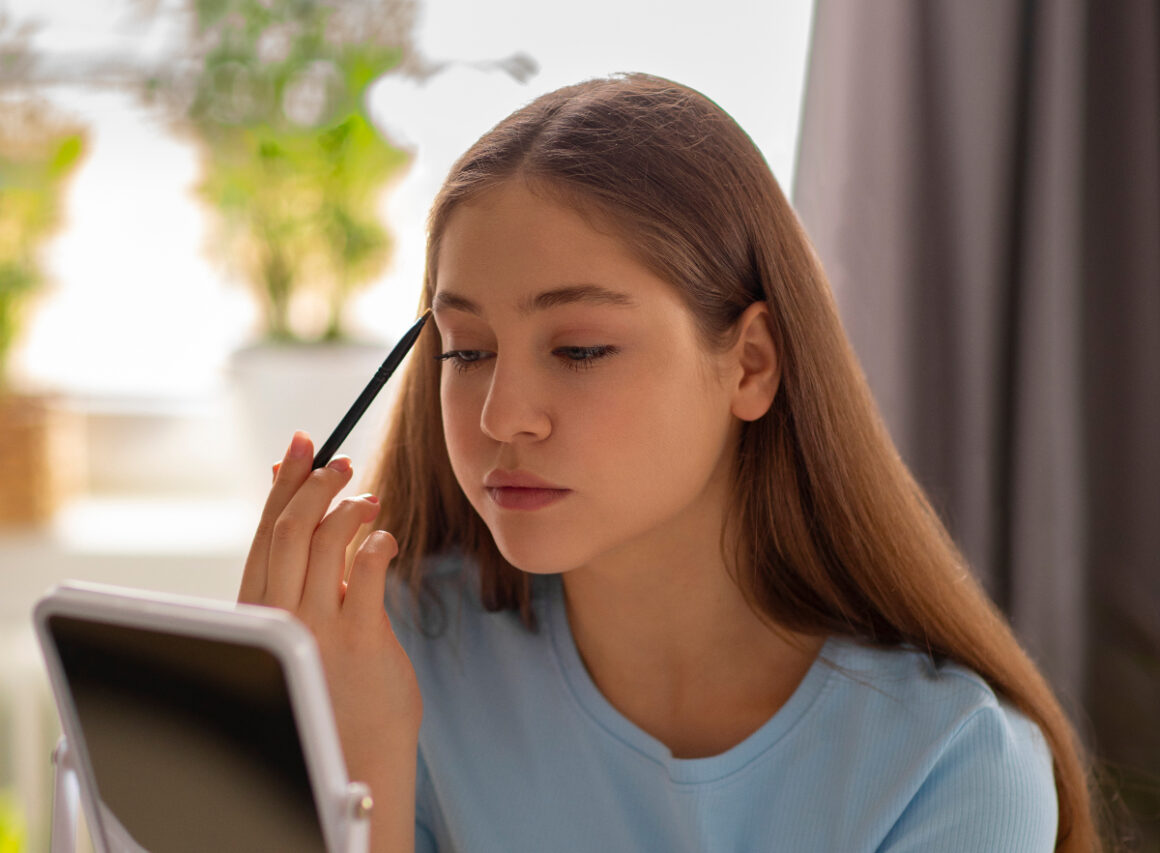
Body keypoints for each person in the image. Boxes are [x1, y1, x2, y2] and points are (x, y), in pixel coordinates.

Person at [240, 73, 1101, 852]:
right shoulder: (392, 666)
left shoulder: (950, 763)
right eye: (465, 352)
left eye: (579, 349)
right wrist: (334, 772)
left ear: (752, 363)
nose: (503, 414)